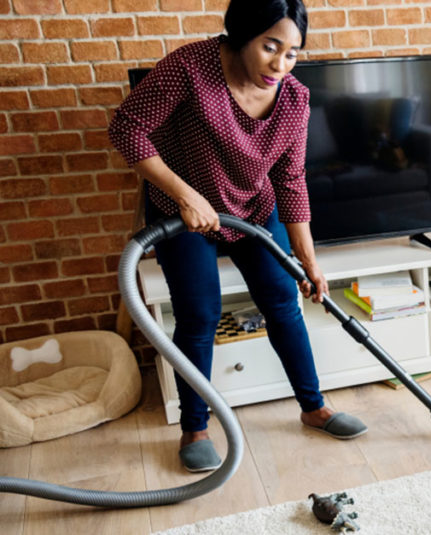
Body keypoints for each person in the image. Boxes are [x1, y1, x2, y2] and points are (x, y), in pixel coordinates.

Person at [108, 0, 367, 473]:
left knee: (283, 301)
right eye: (270, 47)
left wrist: (308, 261)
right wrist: (185, 196)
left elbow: (291, 181)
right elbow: (127, 128)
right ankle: (196, 426)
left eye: (292, 53)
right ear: (241, 34)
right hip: (183, 213)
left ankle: (314, 407)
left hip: (252, 209)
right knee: (198, 314)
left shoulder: (294, 100)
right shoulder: (190, 67)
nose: (280, 64)